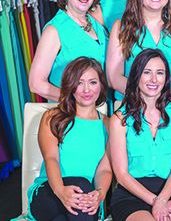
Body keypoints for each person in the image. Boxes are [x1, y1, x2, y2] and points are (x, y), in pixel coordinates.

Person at [109, 49, 171, 221]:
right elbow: (122, 175)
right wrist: (156, 201)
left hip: (166, 192)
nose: (154, 79)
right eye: (147, 72)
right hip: (130, 195)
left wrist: (162, 199)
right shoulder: (119, 120)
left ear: (166, 78)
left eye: (159, 73)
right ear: (137, 76)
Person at [27, 57, 112, 220]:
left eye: (93, 82)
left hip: (88, 201)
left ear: (101, 85)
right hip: (50, 191)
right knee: (81, 186)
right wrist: (61, 190)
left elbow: (105, 169)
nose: (87, 90)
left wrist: (100, 194)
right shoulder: (53, 117)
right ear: (70, 86)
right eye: (80, 83)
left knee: (77, 200)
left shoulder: (109, 125)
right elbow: (51, 159)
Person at [29, 0, 107, 101]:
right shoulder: (54, 30)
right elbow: (36, 84)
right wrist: (75, 101)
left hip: (101, 110)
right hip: (70, 114)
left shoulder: (96, 23)